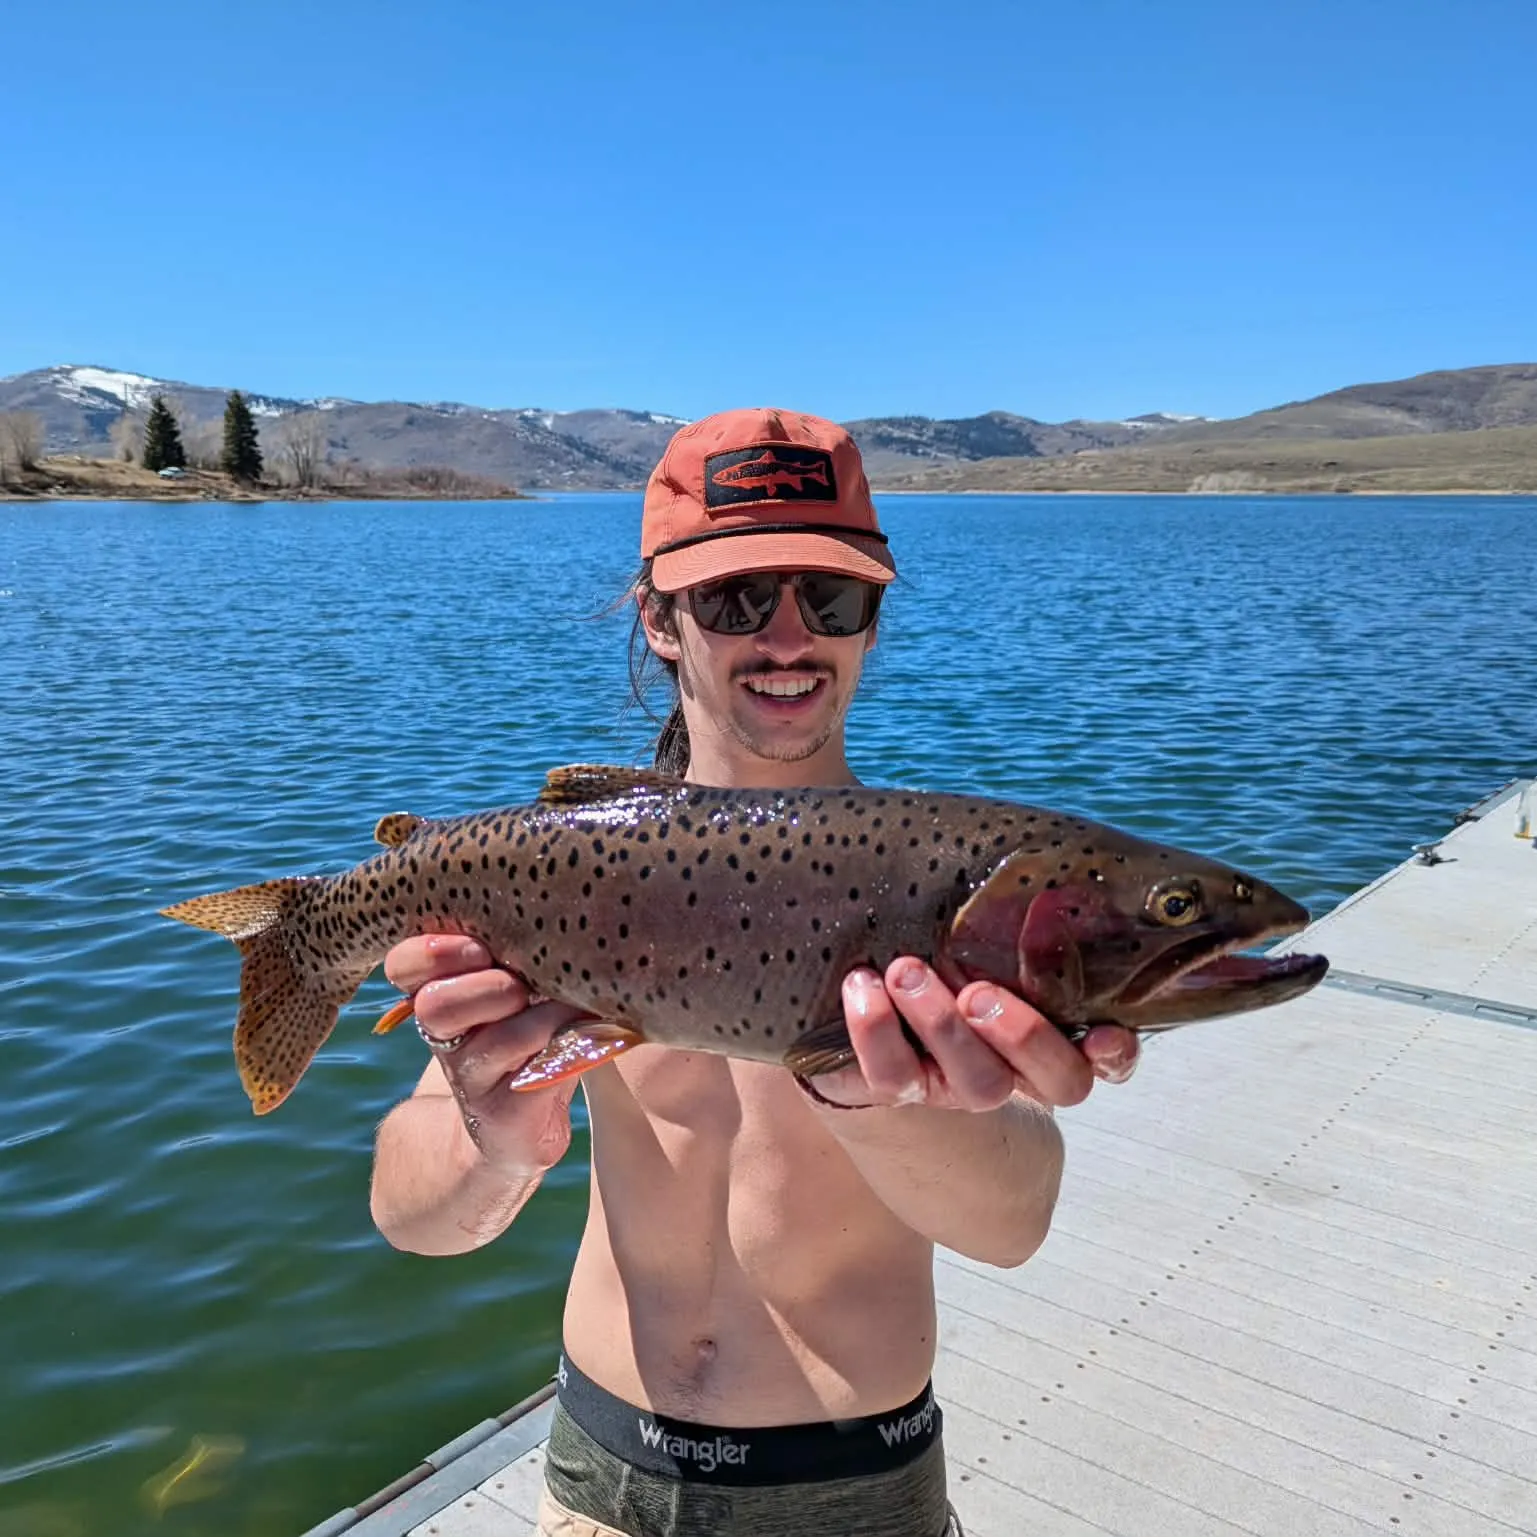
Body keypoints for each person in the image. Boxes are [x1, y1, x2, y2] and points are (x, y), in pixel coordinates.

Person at [369, 408, 1140, 1537]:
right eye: (736, 601)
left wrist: (881, 1101)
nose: (788, 638)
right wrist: (498, 1138)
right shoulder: (563, 879)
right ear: (660, 617)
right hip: (596, 1479)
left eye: (827, 600)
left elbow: (1011, 1223)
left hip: (852, 1495)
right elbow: (413, 1218)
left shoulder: (945, 890)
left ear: (871, 620)